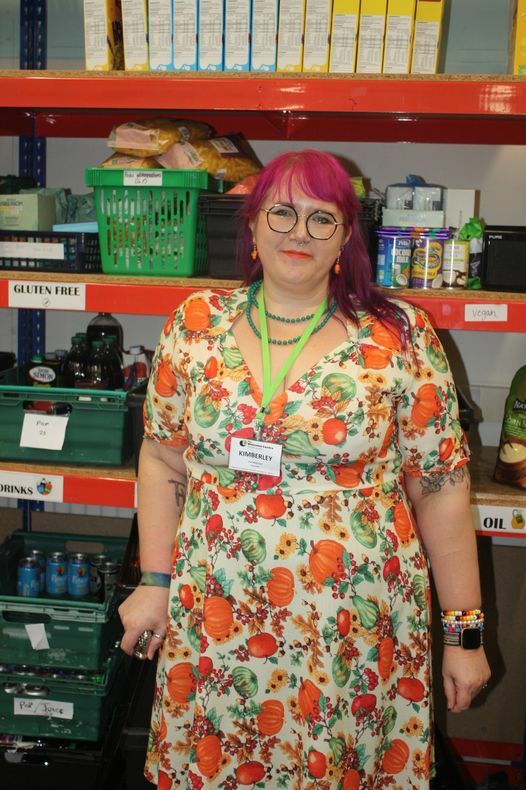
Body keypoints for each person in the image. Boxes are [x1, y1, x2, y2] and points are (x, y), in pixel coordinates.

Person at [119, 149, 490, 788]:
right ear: (254, 226)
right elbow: (161, 457)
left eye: (323, 219)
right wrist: (153, 581)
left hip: (353, 620)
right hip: (218, 612)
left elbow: (442, 489)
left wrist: (465, 635)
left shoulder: (398, 335)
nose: (299, 232)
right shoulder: (196, 324)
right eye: (283, 212)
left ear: (347, 237)